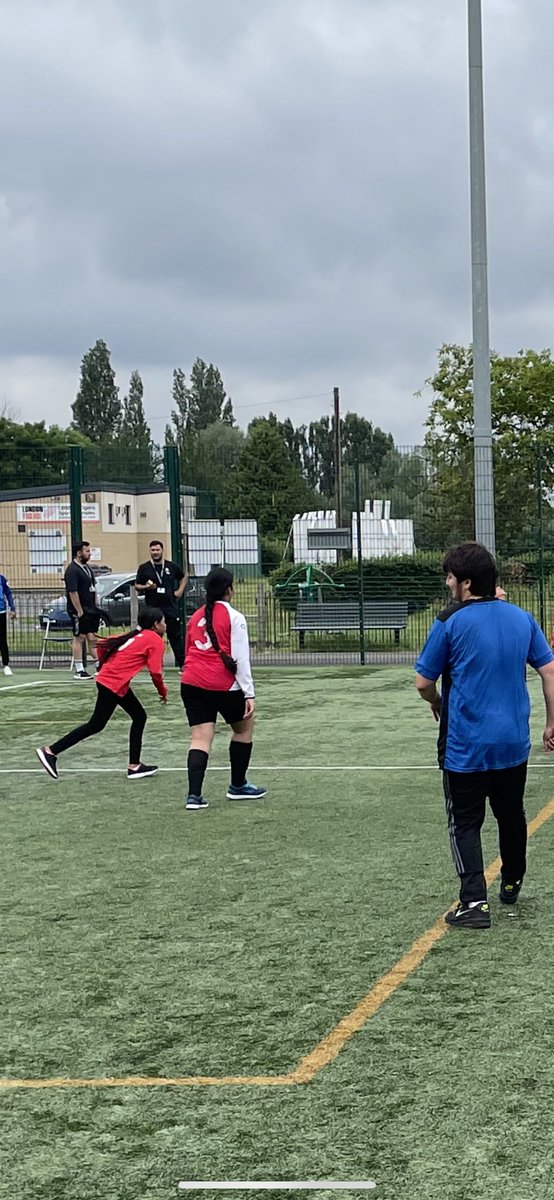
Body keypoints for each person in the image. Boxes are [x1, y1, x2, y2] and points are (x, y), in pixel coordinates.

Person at [415, 542, 554, 931]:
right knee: (511, 814)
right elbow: (549, 671)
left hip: (466, 745)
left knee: (465, 821)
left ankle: (474, 902)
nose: (447, 582)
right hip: (513, 743)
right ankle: (511, 881)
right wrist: (551, 723)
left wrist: (438, 702)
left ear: (466, 582)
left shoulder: (449, 621)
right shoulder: (522, 618)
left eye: (450, 577)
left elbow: (423, 682)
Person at [36, 608, 168, 781]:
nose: (165, 625)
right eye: (163, 621)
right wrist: (162, 692)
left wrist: (103, 667)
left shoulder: (137, 634)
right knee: (96, 724)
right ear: (156, 624)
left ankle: (134, 766)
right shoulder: (154, 640)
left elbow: (106, 645)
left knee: (139, 716)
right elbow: (156, 672)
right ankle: (51, 751)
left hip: (114, 683)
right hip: (111, 683)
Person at [181, 567, 266, 810]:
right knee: (244, 728)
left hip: (191, 683)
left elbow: (188, 651)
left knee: (199, 737)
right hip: (222, 685)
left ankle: (194, 796)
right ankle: (238, 786)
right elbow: (240, 659)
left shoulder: (196, 616)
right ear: (229, 589)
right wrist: (249, 693)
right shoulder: (235, 617)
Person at [135, 540, 187, 668]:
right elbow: (137, 585)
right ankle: (155, 665)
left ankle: (183, 665)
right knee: (153, 638)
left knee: (175, 637)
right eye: (153, 550)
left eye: (157, 550)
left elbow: (184, 576)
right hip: (152, 609)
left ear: (162, 550)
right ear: (150, 551)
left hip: (170, 607)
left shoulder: (171, 566)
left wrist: (179, 591)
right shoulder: (144, 568)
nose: (155, 552)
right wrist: (146, 587)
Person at [64, 542, 103, 681]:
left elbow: (93, 587)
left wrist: (95, 603)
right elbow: (73, 592)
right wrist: (79, 610)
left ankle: (100, 665)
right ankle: (79, 670)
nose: (89, 553)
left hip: (91, 609)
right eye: (86, 551)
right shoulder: (72, 570)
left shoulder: (87, 568)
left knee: (92, 638)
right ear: (79, 553)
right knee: (79, 637)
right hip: (79, 610)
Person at [0, 570, 16, 676]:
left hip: (1, 611)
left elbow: (8, 593)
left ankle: (6, 665)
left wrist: (12, 608)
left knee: (2, 639)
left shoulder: (1, 579)